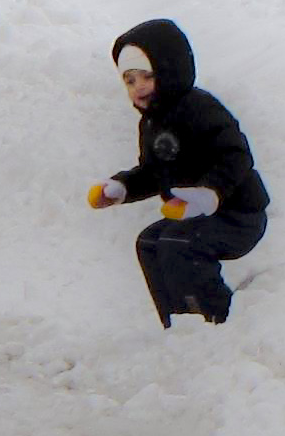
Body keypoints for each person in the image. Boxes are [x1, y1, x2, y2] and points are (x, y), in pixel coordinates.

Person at [83, 18, 270, 327]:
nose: (138, 86)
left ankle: (216, 318)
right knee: (150, 243)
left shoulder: (200, 108)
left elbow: (236, 155)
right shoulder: (151, 123)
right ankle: (178, 323)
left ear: (169, 72)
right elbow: (153, 172)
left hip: (238, 214)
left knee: (178, 244)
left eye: (147, 76)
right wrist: (121, 188)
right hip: (196, 216)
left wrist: (209, 193)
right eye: (129, 80)